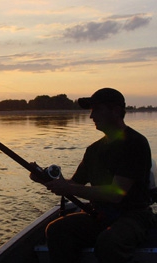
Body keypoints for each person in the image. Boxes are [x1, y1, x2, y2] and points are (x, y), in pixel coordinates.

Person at [30, 87, 155, 263]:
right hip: (99, 214)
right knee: (56, 230)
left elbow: (115, 194)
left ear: (116, 111)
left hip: (133, 216)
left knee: (109, 242)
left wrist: (68, 187)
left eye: (97, 109)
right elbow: (73, 183)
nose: (91, 116)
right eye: (91, 110)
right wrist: (44, 179)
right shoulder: (93, 150)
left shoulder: (135, 143)